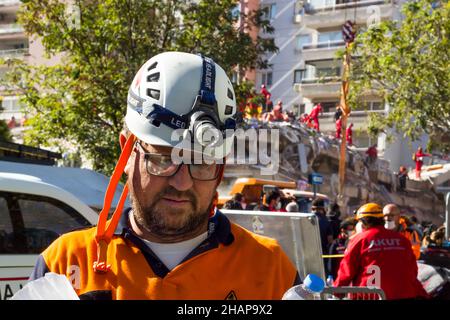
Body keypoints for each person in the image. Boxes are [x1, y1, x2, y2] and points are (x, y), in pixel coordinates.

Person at [29, 52, 299, 299]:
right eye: (163, 158)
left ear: (220, 165)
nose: (182, 182)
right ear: (126, 150)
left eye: (202, 163)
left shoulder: (271, 270)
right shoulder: (64, 265)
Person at [335, 203, 428, 300]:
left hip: (370, 296)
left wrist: (337, 291)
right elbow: (413, 269)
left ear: (363, 222)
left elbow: (347, 269)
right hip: (404, 294)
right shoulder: (402, 239)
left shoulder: (360, 240)